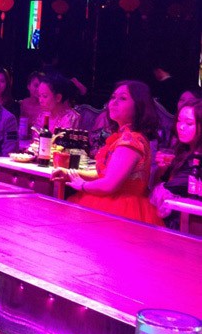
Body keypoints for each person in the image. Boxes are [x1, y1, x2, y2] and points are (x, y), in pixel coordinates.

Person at [52, 80, 163, 226]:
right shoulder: (123, 137)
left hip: (122, 208)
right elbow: (105, 174)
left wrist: (82, 184)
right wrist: (71, 173)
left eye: (123, 98)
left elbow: (109, 184)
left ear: (138, 106)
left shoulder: (130, 141)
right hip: (114, 203)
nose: (114, 102)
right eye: (113, 97)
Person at [152, 99, 202, 232]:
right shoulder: (182, 152)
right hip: (174, 222)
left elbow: (164, 192)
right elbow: (158, 187)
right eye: (179, 121)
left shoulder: (196, 160)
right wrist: (162, 169)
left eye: (189, 123)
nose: (181, 127)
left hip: (190, 226)